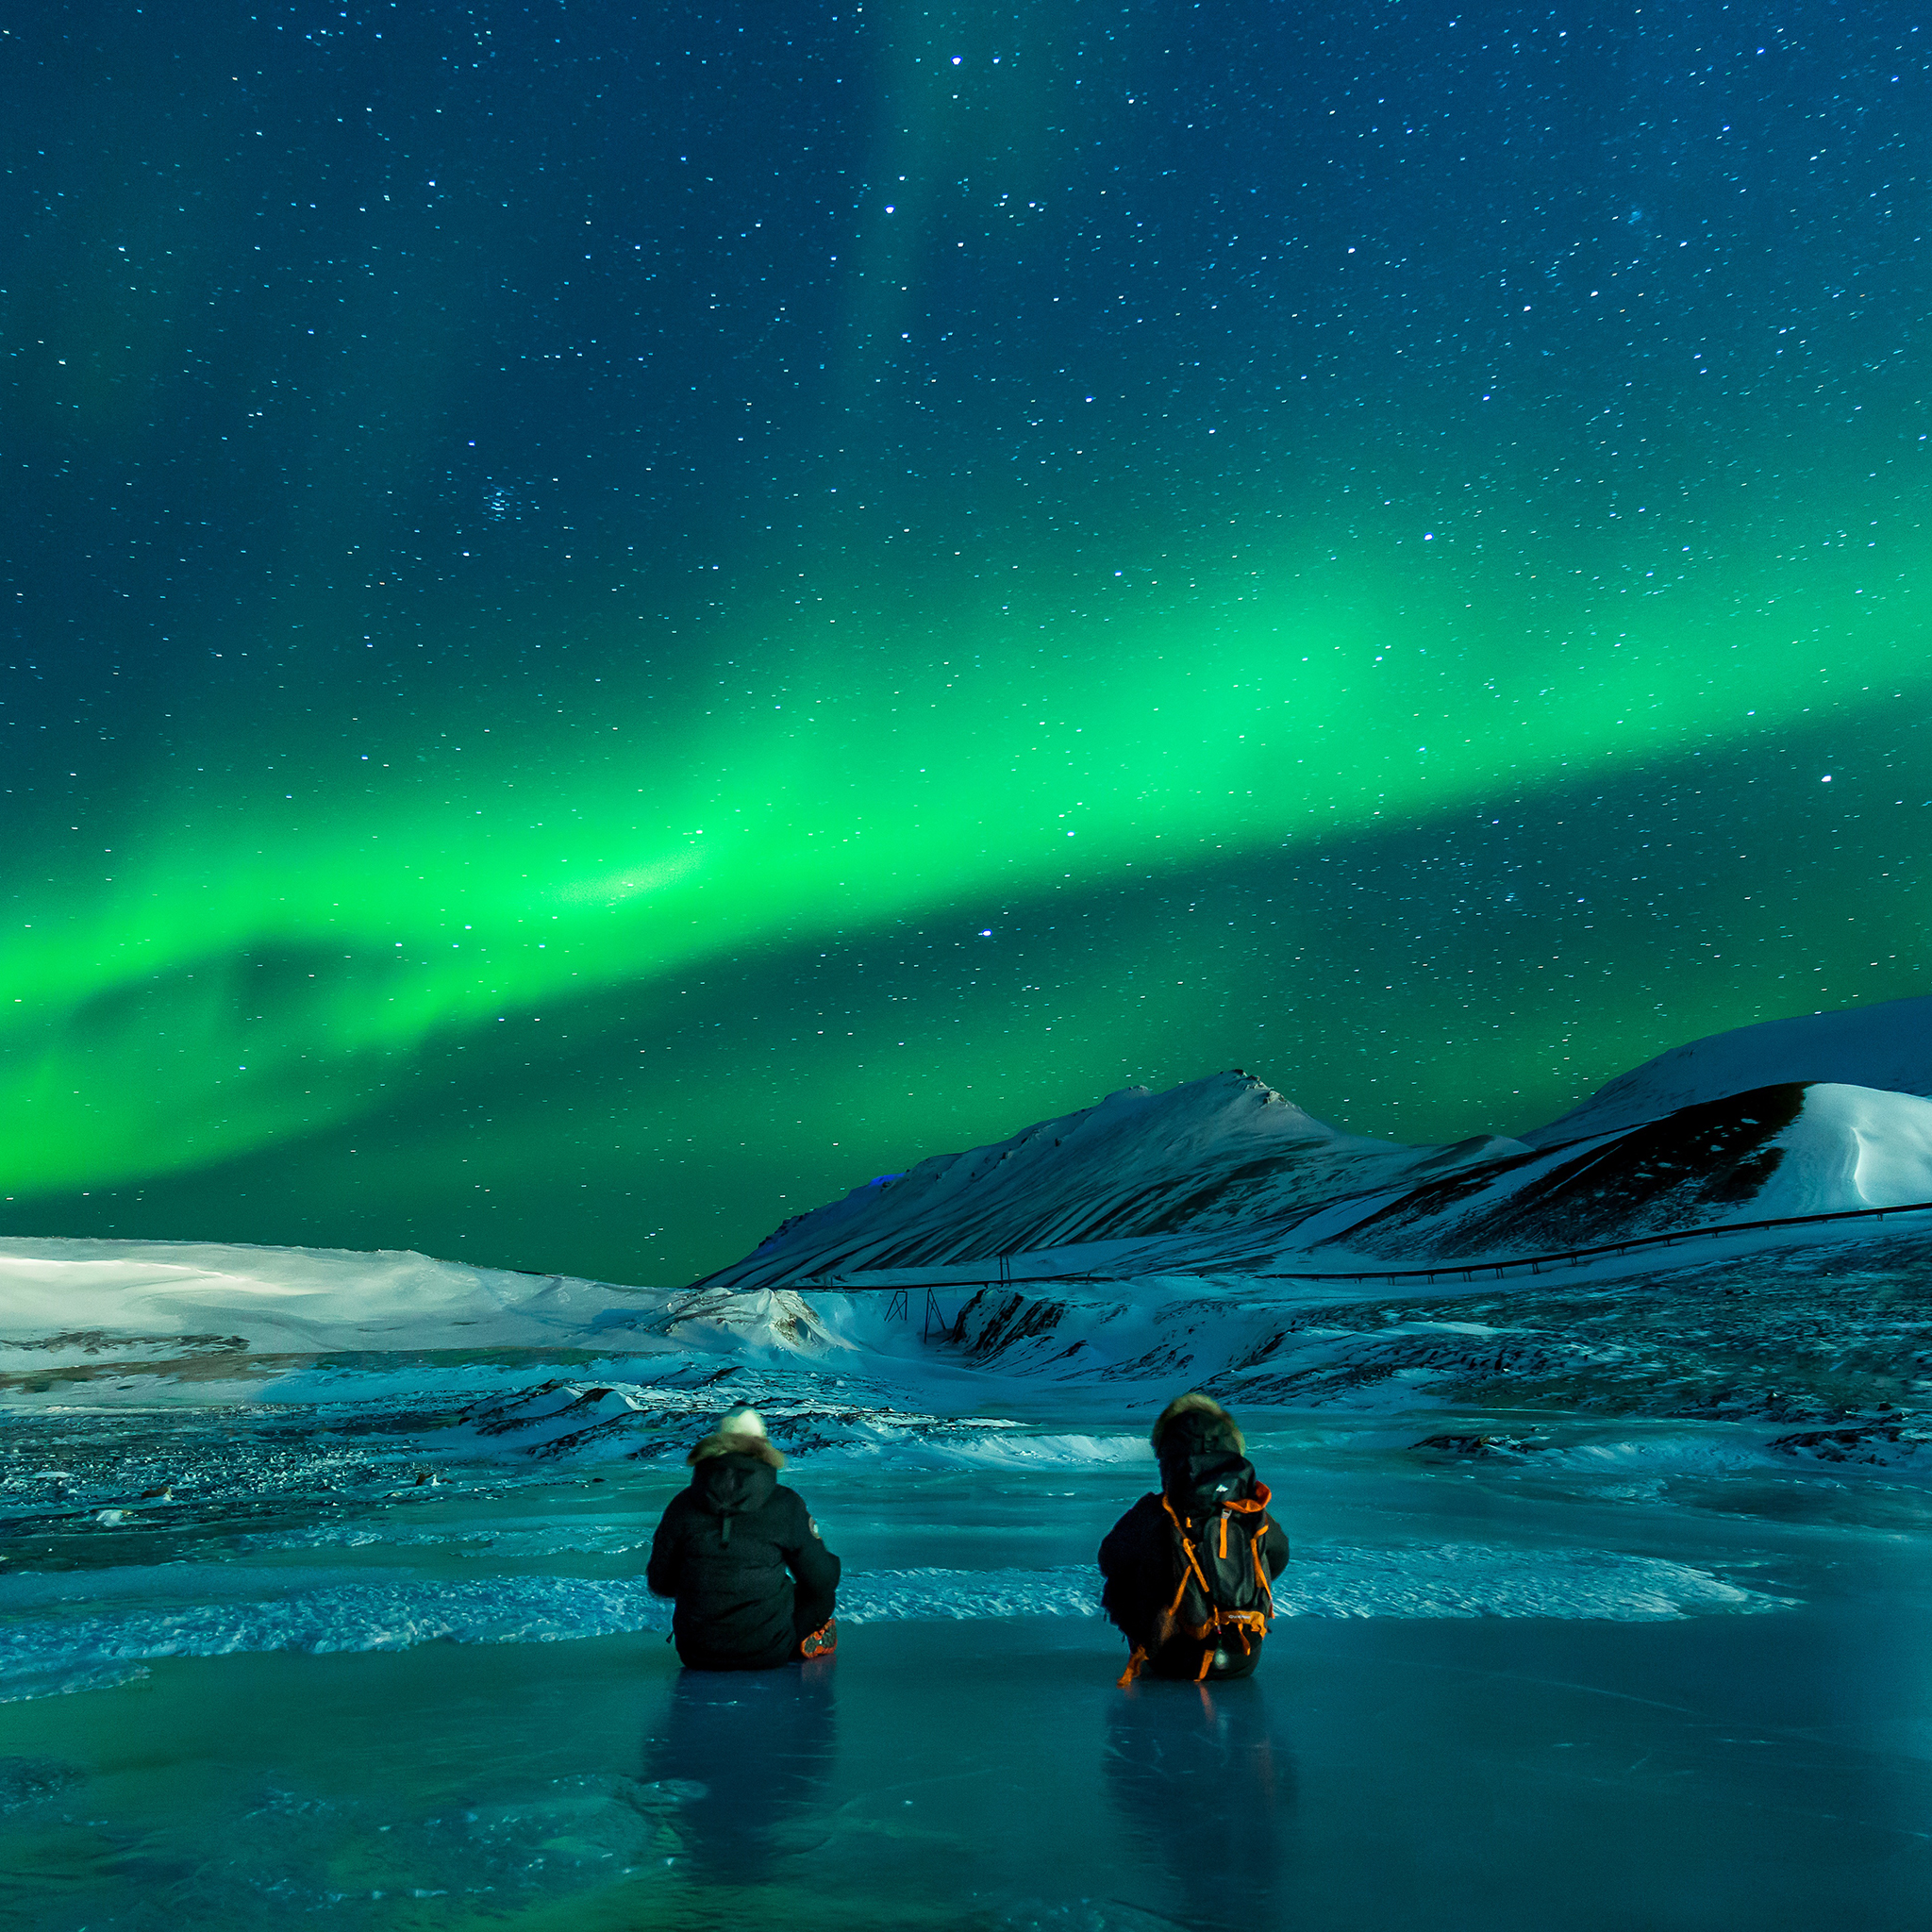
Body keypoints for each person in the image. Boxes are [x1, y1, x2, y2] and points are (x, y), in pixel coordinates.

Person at [1098, 1391, 1290, 1684]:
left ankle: (1153, 1643)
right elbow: (1279, 1556)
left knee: (1125, 1571)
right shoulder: (1252, 1511)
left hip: (1172, 1661)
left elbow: (1110, 1559)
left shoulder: (1152, 1513)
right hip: (1244, 1659)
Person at [646, 1406, 841, 1670]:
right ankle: (807, 1637)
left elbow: (660, 1582)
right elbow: (821, 1580)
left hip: (695, 1653)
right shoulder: (785, 1504)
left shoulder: (683, 1504)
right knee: (818, 1595)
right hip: (768, 1651)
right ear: (762, 1446)